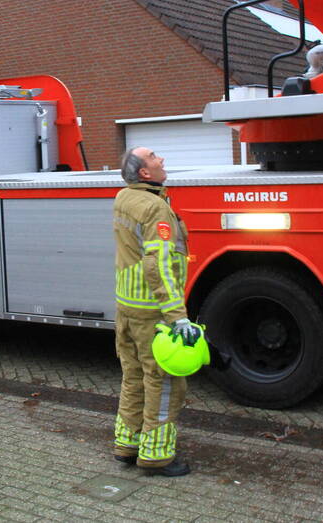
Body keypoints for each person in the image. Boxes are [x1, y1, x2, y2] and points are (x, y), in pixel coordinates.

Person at [111, 147, 200, 477]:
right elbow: (158, 264)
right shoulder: (154, 208)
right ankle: (157, 455)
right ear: (145, 173)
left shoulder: (124, 197)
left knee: (133, 376)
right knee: (163, 382)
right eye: (154, 157)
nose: (162, 159)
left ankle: (127, 444)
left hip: (127, 305)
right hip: (152, 311)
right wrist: (177, 316)